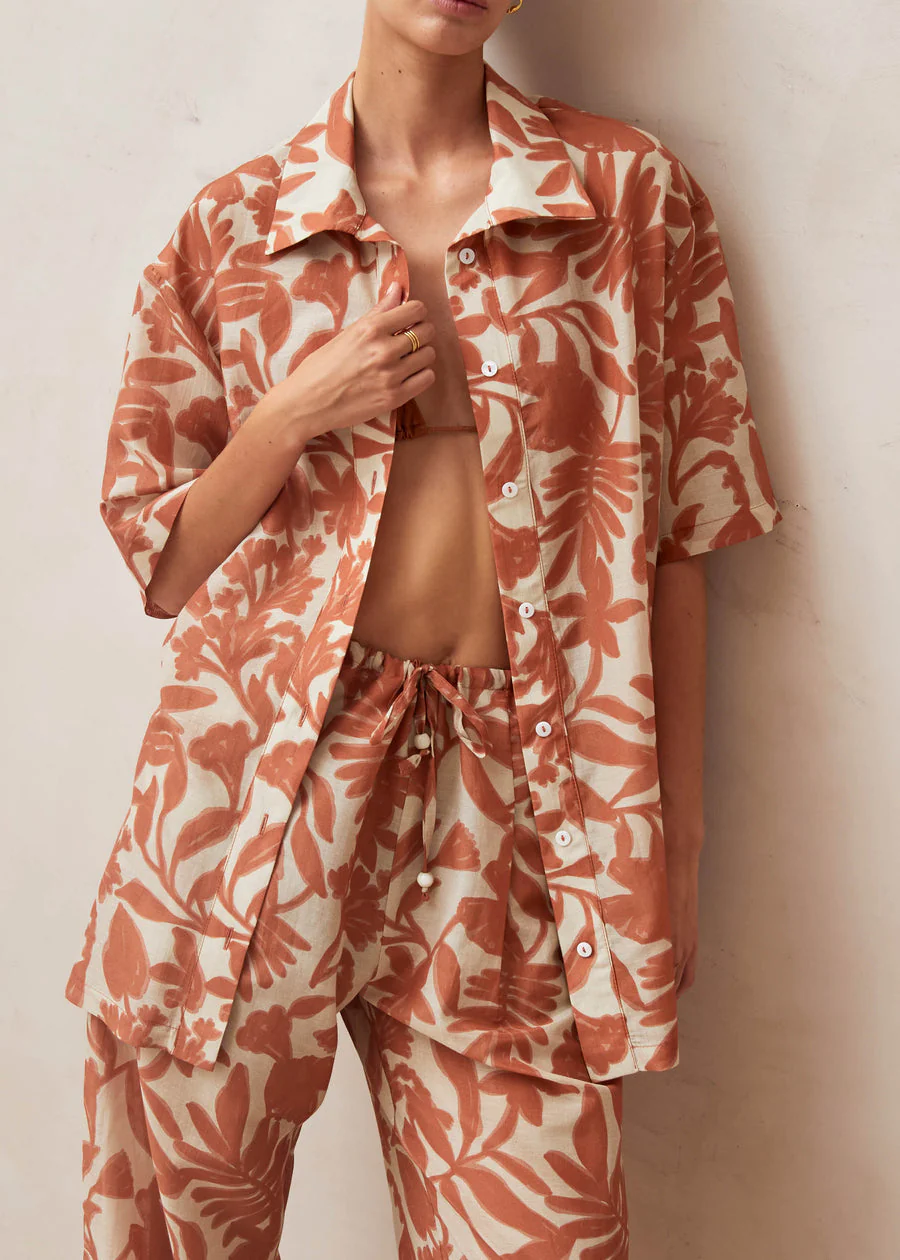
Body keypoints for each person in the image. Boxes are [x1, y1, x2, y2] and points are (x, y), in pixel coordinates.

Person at [66, 0, 783, 1256]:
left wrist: (674, 834)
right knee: (177, 1224)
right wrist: (290, 415)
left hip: (521, 798)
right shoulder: (236, 227)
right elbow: (161, 561)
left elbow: (684, 528)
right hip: (254, 798)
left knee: (546, 1231)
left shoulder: (628, 198)